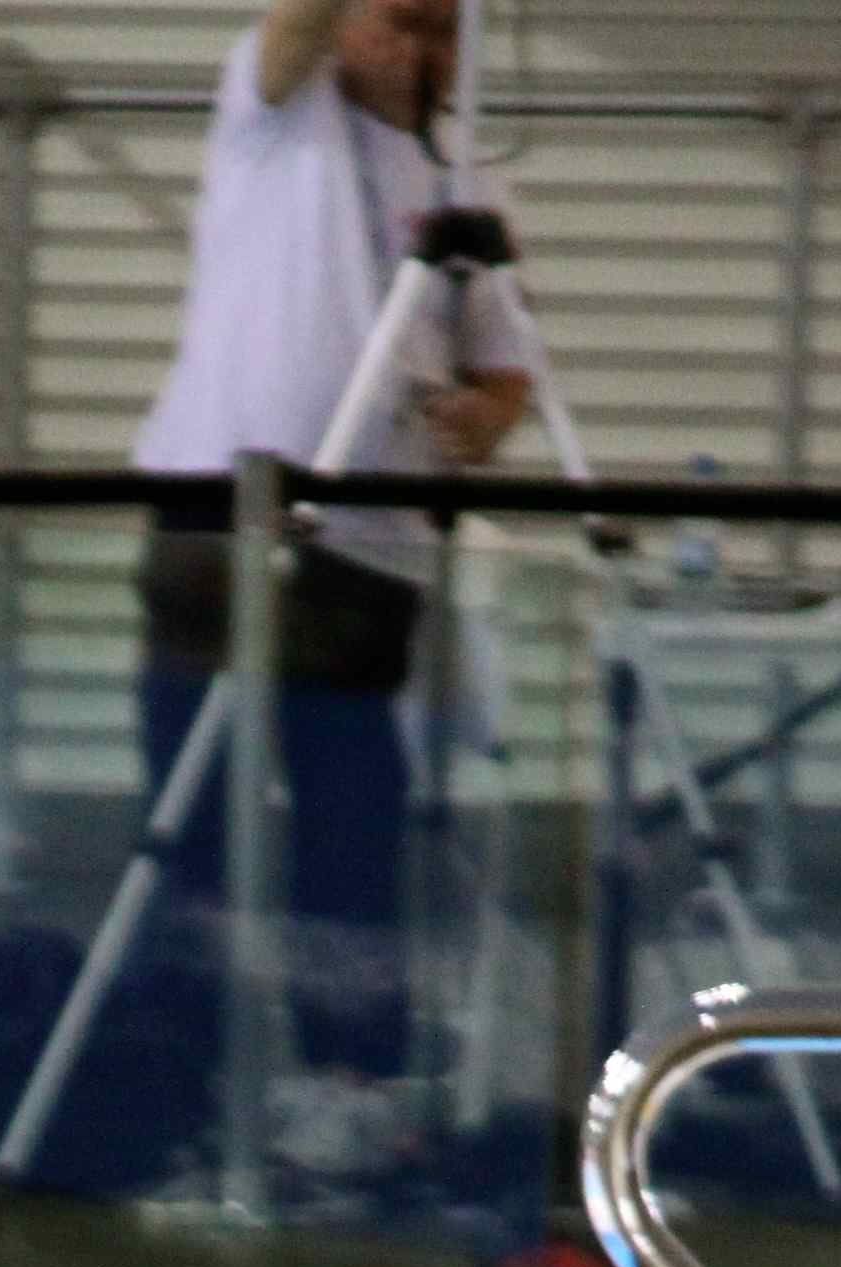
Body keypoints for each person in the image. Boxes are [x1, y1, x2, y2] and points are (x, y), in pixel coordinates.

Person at [124, 0, 534, 1152]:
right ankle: (173, 1081)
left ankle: (352, 1083)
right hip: (220, 522)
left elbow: (506, 367)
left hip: (371, 550)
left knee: (352, 828)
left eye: (443, 32)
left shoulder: (463, 180)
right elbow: (295, 28)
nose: (419, 52)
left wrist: (479, 420)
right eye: (399, 21)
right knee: (195, 822)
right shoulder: (277, 114)